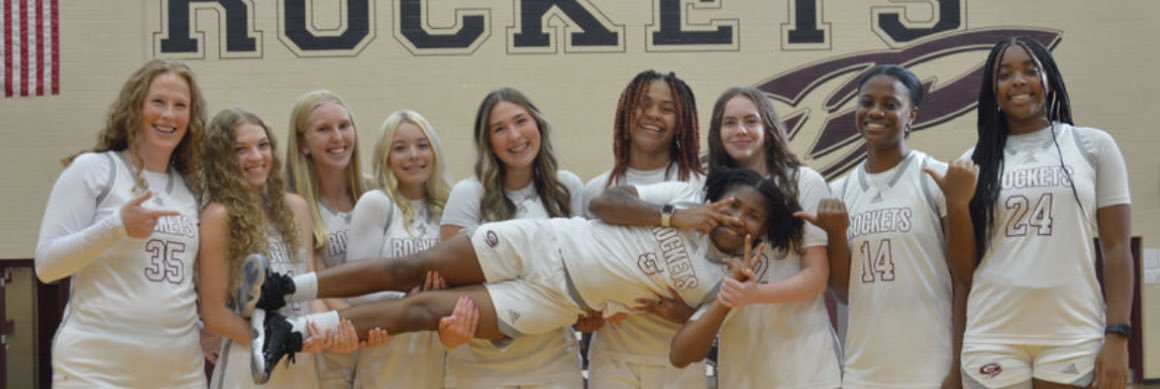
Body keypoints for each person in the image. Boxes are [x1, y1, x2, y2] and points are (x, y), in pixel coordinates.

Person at [246, 168, 804, 386]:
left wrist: (727, 301)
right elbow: (603, 204)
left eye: (752, 217)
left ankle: (289, 335)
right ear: (717, 197)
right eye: (733, 205)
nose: (736, 219)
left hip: (554, 302)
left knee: (423, 313)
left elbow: (684, 353)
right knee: (410, 269)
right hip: (544, 242)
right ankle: (285, 289)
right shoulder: (681, 196)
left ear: (761, 233)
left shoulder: (717, 279)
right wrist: (674, 217)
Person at [960, 36, 1133, 389]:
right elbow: (963, 269)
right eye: (1004, 75)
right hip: (993, 334)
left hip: (1073, 331)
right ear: (993, 90)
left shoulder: (1093, 146)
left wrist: (1118, 335)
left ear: (1049, 79)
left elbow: (1116, 249)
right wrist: (954, 202)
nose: (1018, 81)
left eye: (1030, 71)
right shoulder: (971, 163)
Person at [34, 59, 207, 387]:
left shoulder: (190, 189)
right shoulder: (93, 169)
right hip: (96, 371)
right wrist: (116, 227)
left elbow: (172, 285)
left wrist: (204, 328)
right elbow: (46, 266)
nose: (168, 114)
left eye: (180, 105)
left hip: (178, 370)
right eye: (158, 102)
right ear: (134, 106)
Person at [801, 65, 975, 388]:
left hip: (931, 367)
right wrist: (837, 235)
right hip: (863, 371)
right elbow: (843, 293)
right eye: (867, 102)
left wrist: (958, 366)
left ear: (912, 115)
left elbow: (964, 277)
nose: (875, 112)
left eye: (890, 105)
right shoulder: (838, 191)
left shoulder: (936, 178)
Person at [669, 86, 840, 388]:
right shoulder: (707, 193)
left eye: (751, 121)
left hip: (803, 361)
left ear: (769, 127)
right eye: (730, 123)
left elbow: (817, 277)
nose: (741, 130)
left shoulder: (804, 182)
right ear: (717, 131)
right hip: (741, 362)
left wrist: (755, 295)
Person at [199, 107, 359, 388]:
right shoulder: (218, 215)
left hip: (301, 358)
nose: (257, 157)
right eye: (241, 149)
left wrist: (315, 331)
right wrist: (276, 339)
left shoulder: (296, 207)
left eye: (262, 146)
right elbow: (215, 315)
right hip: (250, 360)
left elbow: (311, 286)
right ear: (222, 159)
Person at [437, 87, 585, 388]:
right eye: (500, 129)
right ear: (488, 142)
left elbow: (582, 271)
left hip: (555, 360)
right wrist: (451, 329)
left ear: (538, 124)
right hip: (480, 365)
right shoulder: (468, 194)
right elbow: (447, 284)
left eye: (521, 121)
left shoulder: (568, 188)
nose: (515, 136)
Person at [576, 70, 708, 389]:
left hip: (679, 361)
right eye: (644, 104)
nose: (652, 115)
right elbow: (578, 278)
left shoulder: (700, 188)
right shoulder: (596, 190)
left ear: (682, 121)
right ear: (626, 111)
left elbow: (716, 279)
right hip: (611, 360)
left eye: (667, 108)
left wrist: (692, 312)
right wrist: (586, 316)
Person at [344, 110, 454, 387]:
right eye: (400, 148)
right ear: (386, 157)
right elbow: (355, 289)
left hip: (444, 350)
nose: (414, 155)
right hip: (387, 350)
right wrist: (413, 298)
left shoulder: (451, 206)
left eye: (422, 145)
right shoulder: (376, 204)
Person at [284, 90, 368, 387]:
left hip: (377, 340)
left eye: (344, 126)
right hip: (329, 345)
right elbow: (315, 275)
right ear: (303, 145)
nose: (338, 137)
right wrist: (360, 318)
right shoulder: (293, 204)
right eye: (324, 129)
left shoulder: (373, 194)